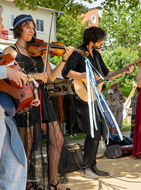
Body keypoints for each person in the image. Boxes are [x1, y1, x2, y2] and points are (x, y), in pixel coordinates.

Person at [3, 14, 74, 190]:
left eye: (33, 27)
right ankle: (26, 184)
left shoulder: (40, 50)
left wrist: (64, 59)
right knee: (27, 146)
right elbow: (7, 78)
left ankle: (53, 182)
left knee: (57, 139)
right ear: (19, 28)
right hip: (24, 98)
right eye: (28, 26)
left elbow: (50, 77)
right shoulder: (10, 51)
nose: (32, 30)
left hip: (41, 96)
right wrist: (32, 76)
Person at [62, 26, 134, 179]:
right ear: (91, 40)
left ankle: (92, 166)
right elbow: (66, 72)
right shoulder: (78, 52)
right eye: (100, 40)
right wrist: (85, 75)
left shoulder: (96, 54)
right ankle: (86, 168)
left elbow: (106, 74)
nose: (102, 43)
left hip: (95, 98)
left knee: (99, 132)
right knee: (93, 133)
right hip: (82, 97)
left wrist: (124, 70)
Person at [0, 6, 40, 190]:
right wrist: (4, 70)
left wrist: (29, 90)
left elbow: (13, 79)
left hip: (5, 115)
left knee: (17, 164)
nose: (2, 24)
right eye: (0, 20)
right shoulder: (10, 50)